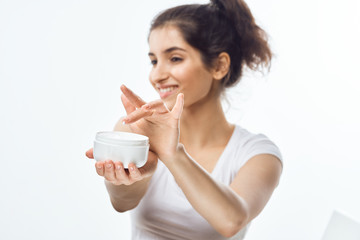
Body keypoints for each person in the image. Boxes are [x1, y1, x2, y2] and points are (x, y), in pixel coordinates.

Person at [86, 0, 283, 239]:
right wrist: (124, 176)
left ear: (219, 66)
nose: (156, 75)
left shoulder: (257, 154)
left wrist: (172, 154)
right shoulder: (138, 131)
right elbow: (122, 203)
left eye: (175, 58)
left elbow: (231, 220)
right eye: (154, 61)